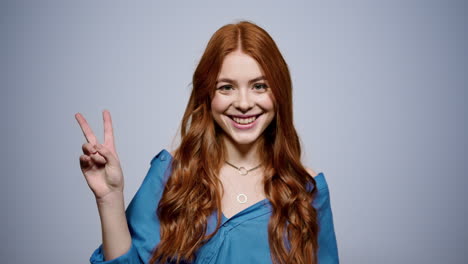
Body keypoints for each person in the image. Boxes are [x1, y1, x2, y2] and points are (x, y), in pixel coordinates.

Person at [75, 20, 339, 264]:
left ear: (279, 92)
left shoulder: (307, 192)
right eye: (226, 87)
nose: (244, 103)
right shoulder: (171, 176)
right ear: (207, 95)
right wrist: (109, 199)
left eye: (259, 86)